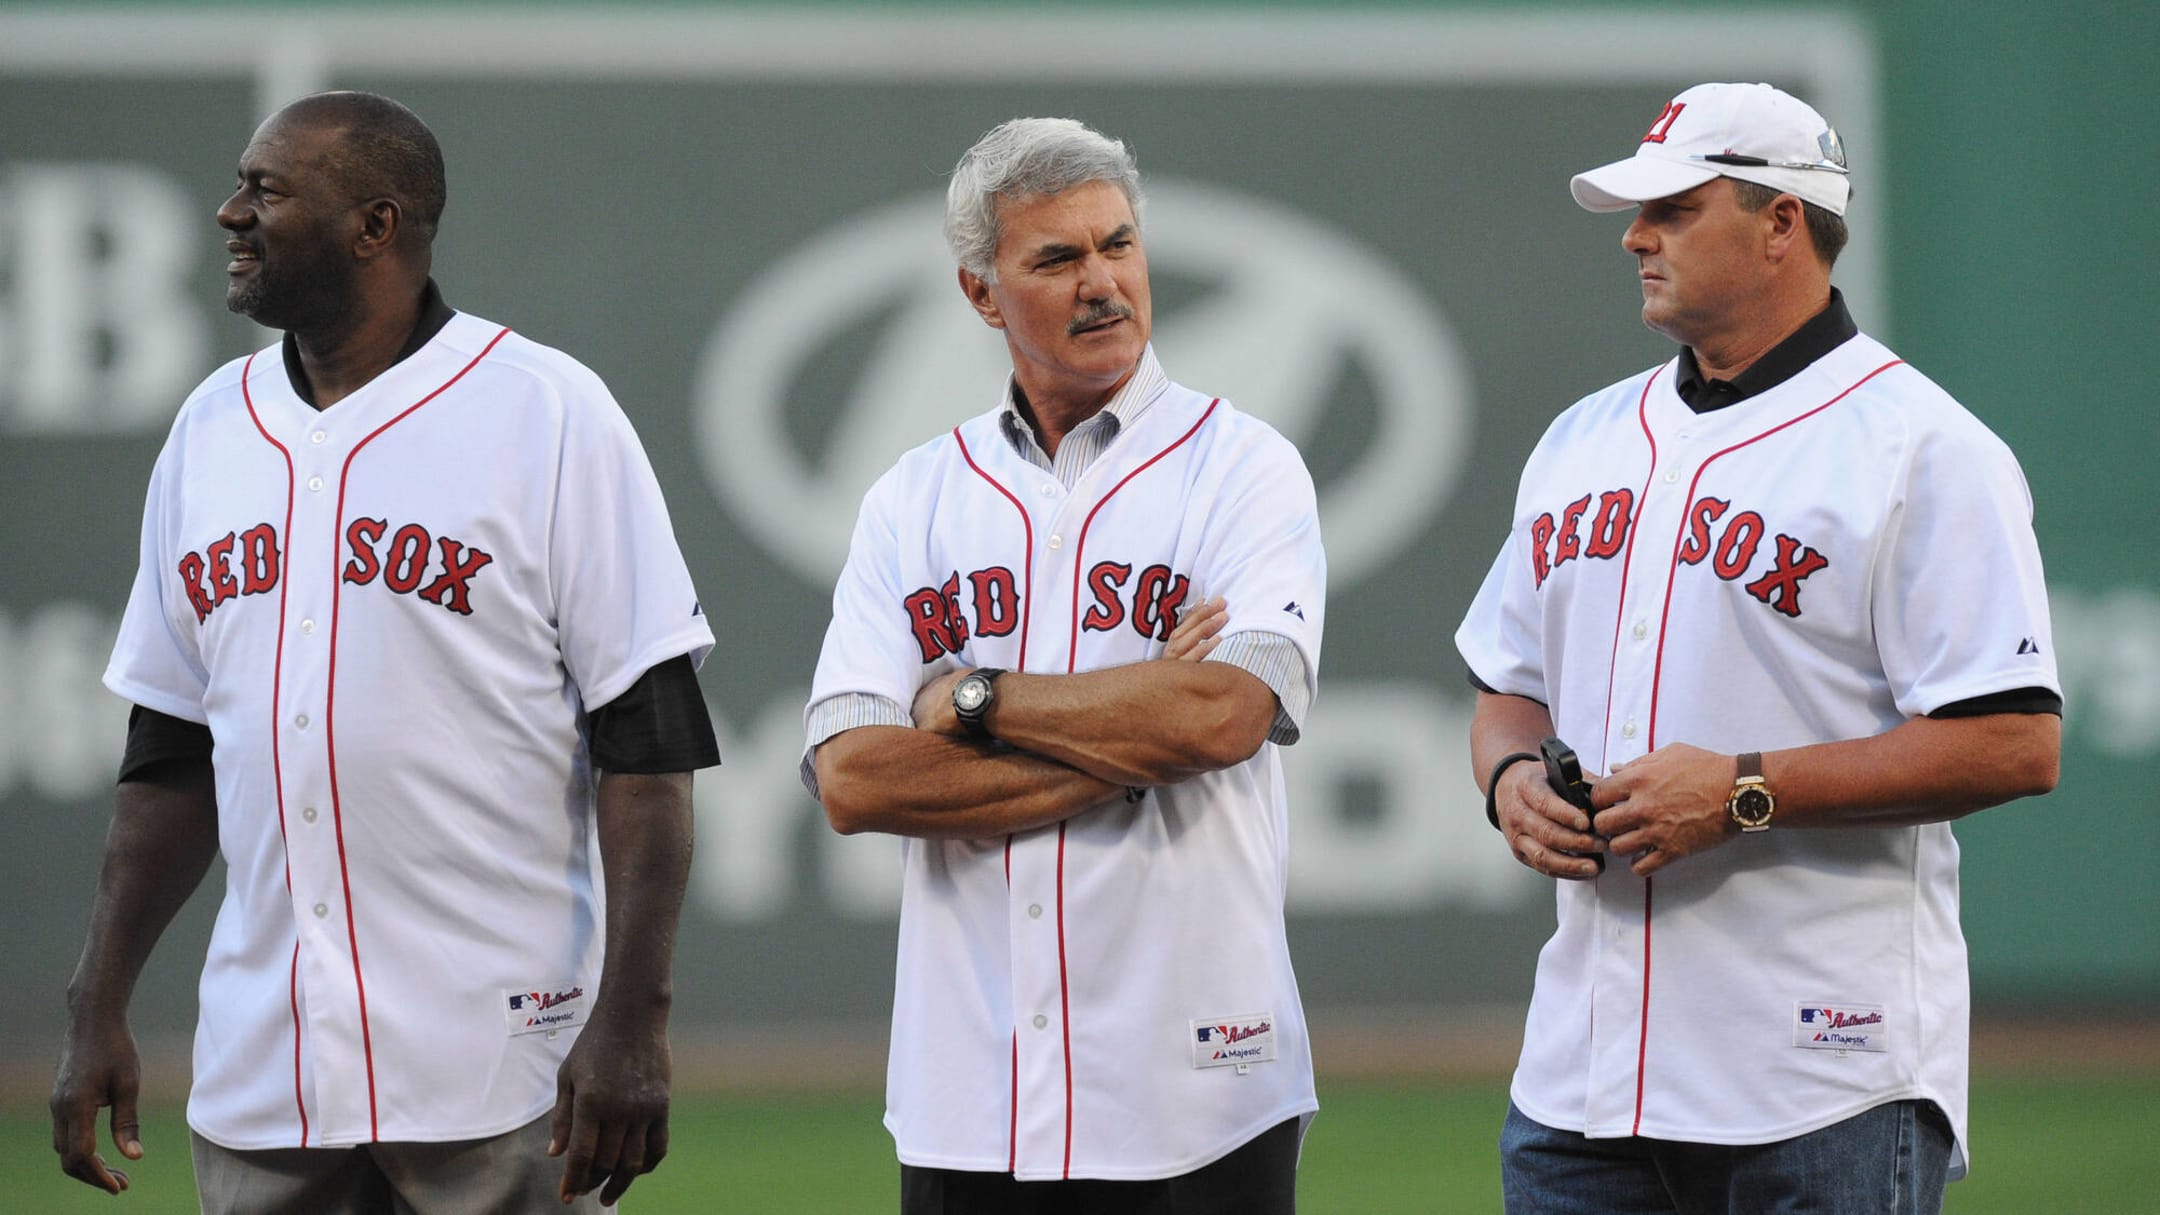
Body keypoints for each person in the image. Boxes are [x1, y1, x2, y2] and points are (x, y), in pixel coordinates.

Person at [49, 91, 720, 1213]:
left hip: (502, 1069)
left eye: (266, 190)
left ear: (376, 223)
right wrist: (98, 997)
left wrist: (635, 1024)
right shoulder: (211, 431)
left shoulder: (547, 412)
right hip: (266, 1074)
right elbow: (169, 754)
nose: (229, 213)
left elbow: (649, 747)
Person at [1455, 81, 2062, 1214]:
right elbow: (1507, 688)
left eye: (1676, 209)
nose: (1636, 235)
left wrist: (1740, 791)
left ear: (1782, 221)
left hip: (1819, 1077)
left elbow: (2015, 742)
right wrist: (1510, 780)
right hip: (1583, 1080)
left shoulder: (1922, 449)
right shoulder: (1585, 437)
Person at [802, 117, 1326, 1214]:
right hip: (966, 1095)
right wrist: (1140, 729)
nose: (1104, 284)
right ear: (983, 295)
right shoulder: (912, 498)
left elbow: (1226, 719)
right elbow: (855, 780)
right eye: (1057, 258)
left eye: (1119, 245)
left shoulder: (1244, 468)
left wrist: (973, 701)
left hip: (1197, 1088)